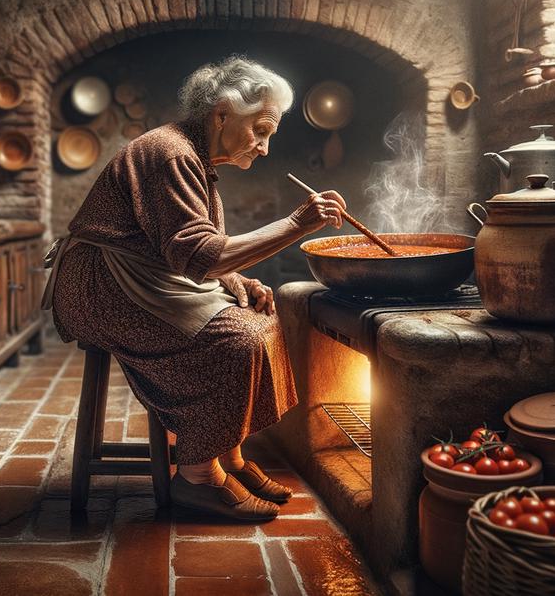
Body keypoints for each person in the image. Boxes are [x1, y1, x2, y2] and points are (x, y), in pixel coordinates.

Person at [44, 56, 346, 521]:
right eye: (260, 130)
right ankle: (199, 478)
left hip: (140, 278)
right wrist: (294, 224)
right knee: (234, 340)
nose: (264, 148)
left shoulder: (195, 157)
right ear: (222, 113)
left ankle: (230, 456)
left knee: (261, 317)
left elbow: (181, 249)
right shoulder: (171, 153)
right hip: (97, 287)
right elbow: (200, 256)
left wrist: (237, 279)